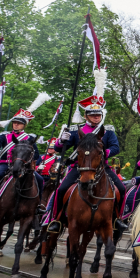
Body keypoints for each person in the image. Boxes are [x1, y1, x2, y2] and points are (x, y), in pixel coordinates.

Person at [52, 69, 126, 233]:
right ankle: (56, 219)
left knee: (121, 189)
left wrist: (102, 154)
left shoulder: (108, 131)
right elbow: (59, 149)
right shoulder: (75, 130)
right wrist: (61, 140)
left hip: (102, 168)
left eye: (98, 115)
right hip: (78, 168)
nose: (95, 118)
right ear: (86, 116)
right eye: (92, 115)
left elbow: (115, 148)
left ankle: (117, 219)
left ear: (101, 115)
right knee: (61, 189)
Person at [0, 95, 47, 213]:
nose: (16, 124)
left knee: (40, 179)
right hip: (6, 164)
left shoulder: (29, 137)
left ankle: (38, 205)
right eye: (15, 122)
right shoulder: (4, 135)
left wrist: (32, 165)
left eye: (19, 123)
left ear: (24, 125)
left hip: (23, 166)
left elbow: (36, 155)